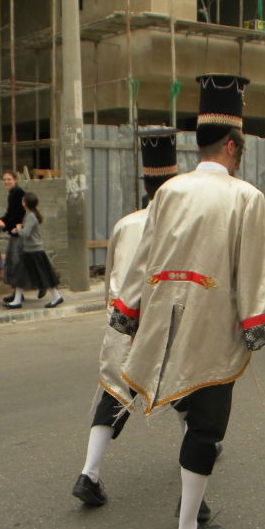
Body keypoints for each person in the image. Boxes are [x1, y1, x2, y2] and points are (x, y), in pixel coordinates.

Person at [109, 73, 265, 529]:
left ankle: (195, 502)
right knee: (208, 427)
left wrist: (129, 315)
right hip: (213, 326)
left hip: (166, 325)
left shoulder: (168, 192)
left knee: (190, 414)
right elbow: (256, 268)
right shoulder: (245, 197)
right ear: (232, 145)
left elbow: (142, 260)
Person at [74, 128, 185, 507]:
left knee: (114, 392)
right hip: (164, 323)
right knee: (186, 387)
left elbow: (110, 282)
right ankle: (198, 464)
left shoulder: (125, 224)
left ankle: (89, 472)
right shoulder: (180, 224)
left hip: (122, 320)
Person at [3, 192, 63, 308]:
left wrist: (19, 229)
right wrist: (18, 229)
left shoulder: (31, 216)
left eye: (23, 200)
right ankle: (17, 300)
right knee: (20, 275)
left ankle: (56, 297)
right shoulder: (30, 214)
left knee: (44, 275)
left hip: (34, 252)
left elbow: (25, 233)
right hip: (29, 251)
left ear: (24, 203)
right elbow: (26, 231)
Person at [0, 171, 28, 303]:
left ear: (15, 179)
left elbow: (15, 215)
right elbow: (10, 214)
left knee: (15, 263)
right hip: (15, 231)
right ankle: (17, 293)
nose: (6, 181)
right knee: (14, 263)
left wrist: (4, 225)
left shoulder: (16, 193)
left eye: (9, 179)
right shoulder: (13, 193)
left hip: (18, 233)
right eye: (4, 179)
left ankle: (40, 285)